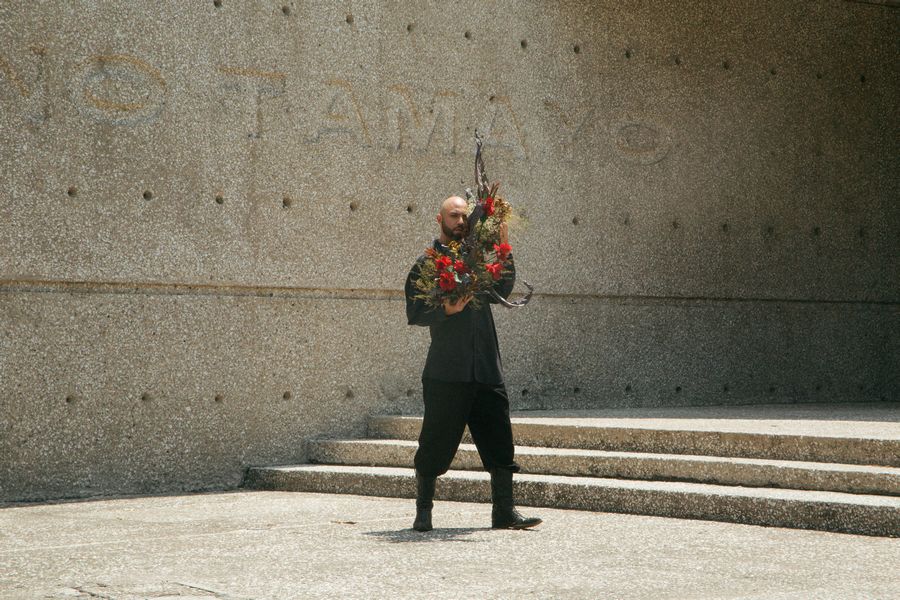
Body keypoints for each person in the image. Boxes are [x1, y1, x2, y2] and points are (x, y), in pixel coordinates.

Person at [403, 195, 542, 532]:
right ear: (440, 220)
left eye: (465, 216)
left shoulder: (477, 262)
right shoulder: (427, 263)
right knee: (435, 443)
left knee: (500, 442)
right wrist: (446, 311)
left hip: (486, 369)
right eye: (454, 216)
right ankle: (423, 512)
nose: (461, 222)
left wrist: (504, 245)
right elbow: (415, 312)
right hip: (447, 371)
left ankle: (504, 512)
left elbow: (503, 288)